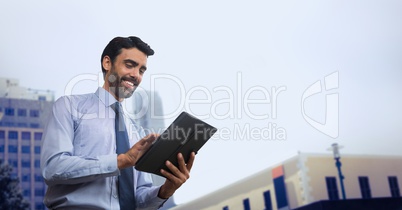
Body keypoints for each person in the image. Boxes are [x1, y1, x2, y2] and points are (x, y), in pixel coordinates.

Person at [40, 36, 195, 209]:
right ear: (107, 63)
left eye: (141, 70)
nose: (135, 75)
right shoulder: (69, 107)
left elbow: (139, 199)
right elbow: (53, 168)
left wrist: (166, 190)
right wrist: (121, 161)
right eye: (129, 65)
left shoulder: (137, 133)